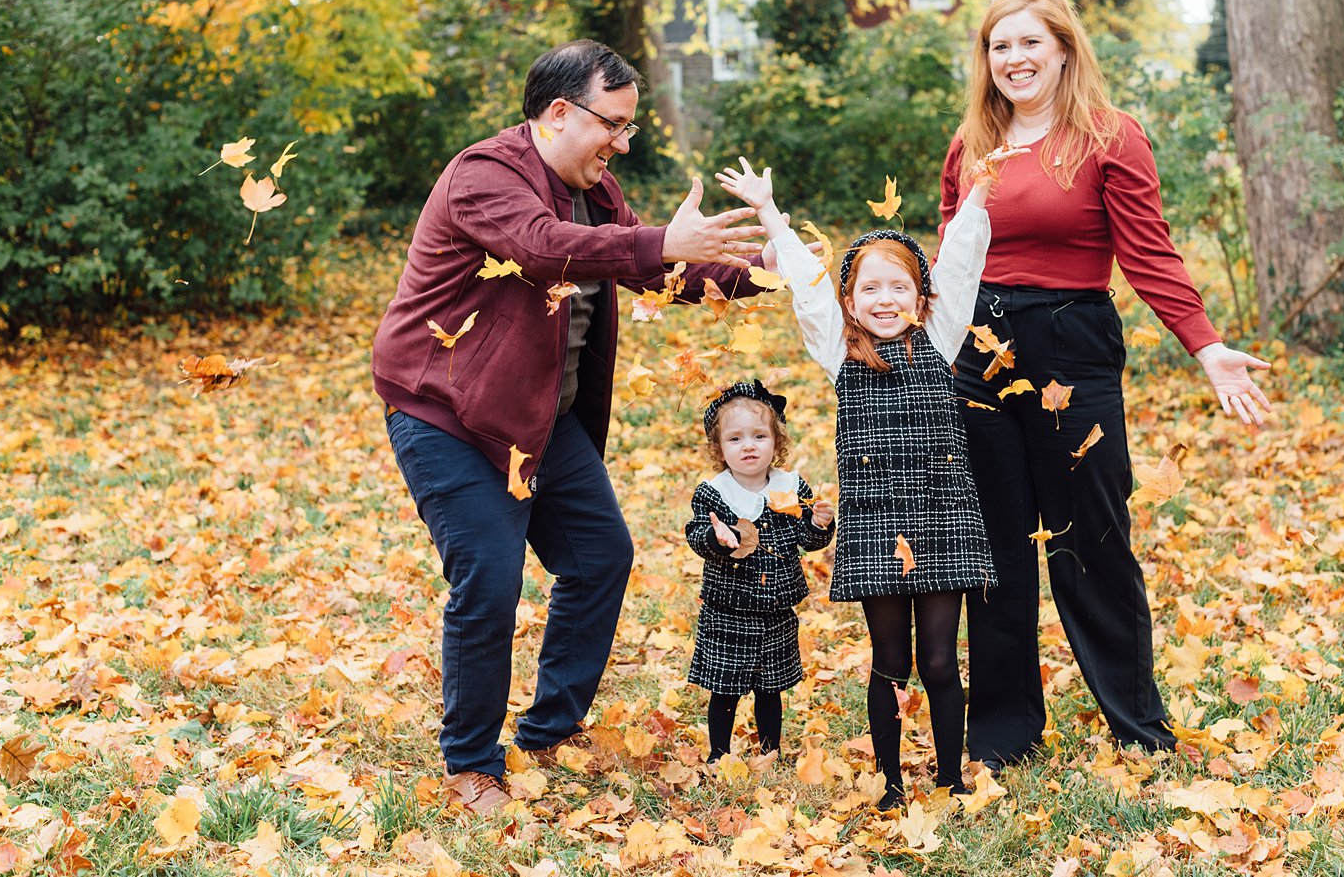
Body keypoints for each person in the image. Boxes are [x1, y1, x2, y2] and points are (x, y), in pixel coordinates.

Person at [372, 40, 776, 818]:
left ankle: (551, 728)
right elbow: (541, 248)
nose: (623, 144)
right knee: (488, 581)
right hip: (448, 412)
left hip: (539, 416)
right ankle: (472, 763)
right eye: (613, 125)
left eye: (629, 128)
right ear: (559, 113)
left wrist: (768, 268)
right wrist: (658, 240)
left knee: (600, 556)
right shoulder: (483, 175)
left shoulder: (596, 192)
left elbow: (655, 269)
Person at [936, 0, 1274, 771]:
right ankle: (1003, 733)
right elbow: (952, 257)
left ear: (1062, 49)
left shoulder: (1108, 137)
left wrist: (1206, 345)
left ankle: (1137, 724)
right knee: (997, 545)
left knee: (1092, 538)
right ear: (986, 60)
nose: (1014, 59)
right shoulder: (972, 143)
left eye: (1029, 43)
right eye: (999, 46)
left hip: (1071, 342)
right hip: (977, 352)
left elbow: (1149, 253)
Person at [715, 151, 1022, 808]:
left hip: (943, 517)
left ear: (922, 297)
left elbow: (963, 257)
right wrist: (769, 212)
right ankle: (887, 783)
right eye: (870, 291)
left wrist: (978, 193)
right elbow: (802, 281)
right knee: (891, 660)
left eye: (900, 288)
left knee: (940, 661)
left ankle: (948, 776)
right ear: (850, 301)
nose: (886, 300)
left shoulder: (939, 338)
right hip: (877, 520)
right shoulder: (838, 350)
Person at [685, 380, 835, 762]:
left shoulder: (790, 486)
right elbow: (696, 534)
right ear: (719, 448)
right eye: (735, 439)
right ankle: (719, 754)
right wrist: (716, 537)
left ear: (776, 441)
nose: (748, 446)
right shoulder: (714, 492)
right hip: (728, 610)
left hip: (776, 609)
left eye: (759, 436)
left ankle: (771, 750)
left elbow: (807, 538)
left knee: (772, 688)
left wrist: (818, 525)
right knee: (725, 688)